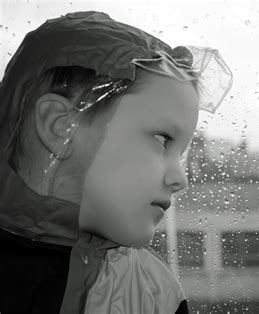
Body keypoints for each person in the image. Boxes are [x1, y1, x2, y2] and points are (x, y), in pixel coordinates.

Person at [0, 11, 232, 314]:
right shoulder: (145, 293)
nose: (180, 178)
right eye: (162, 140)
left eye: (182, 152)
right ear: (59, 127)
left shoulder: (156, 295)